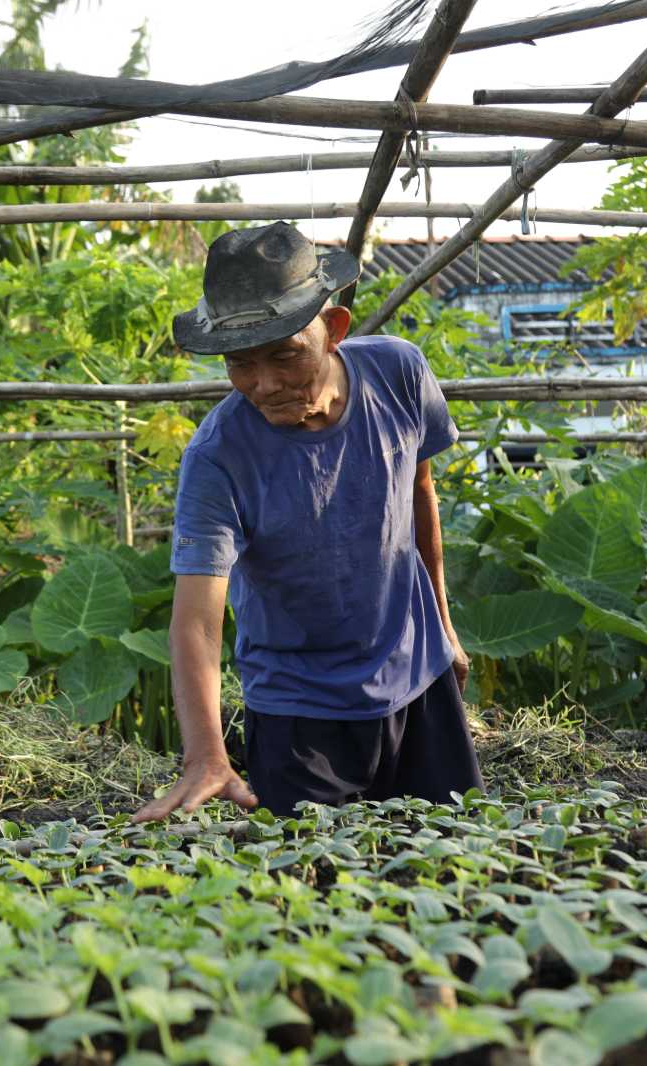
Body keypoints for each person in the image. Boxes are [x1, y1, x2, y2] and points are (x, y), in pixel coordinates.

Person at [132, 222, 483, 822]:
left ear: (334, 331)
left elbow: (420, 492)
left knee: (454, 868)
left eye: (285, 356)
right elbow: (196, 620)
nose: (264, 385)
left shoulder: (400, 374)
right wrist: (206, 755)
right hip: (300, 716)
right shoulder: (218, 456)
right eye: (240, 365)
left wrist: (445, 627)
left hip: (420, 683)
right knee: (315, 895)